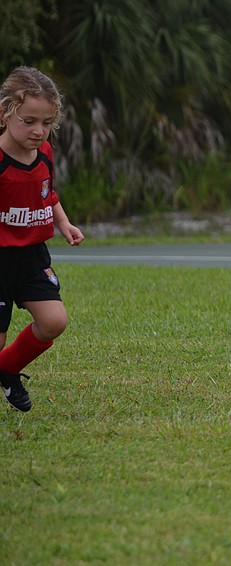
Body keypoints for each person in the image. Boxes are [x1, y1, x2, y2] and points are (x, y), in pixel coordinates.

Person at [0, 67, 85, 412]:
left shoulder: (45, 152)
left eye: (47, 122)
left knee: (53, 322)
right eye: (29, 121)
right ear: (5, 113)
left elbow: (47, 193)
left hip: (32, 255)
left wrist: (63, 224)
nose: (39, 131)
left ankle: (7, 371)